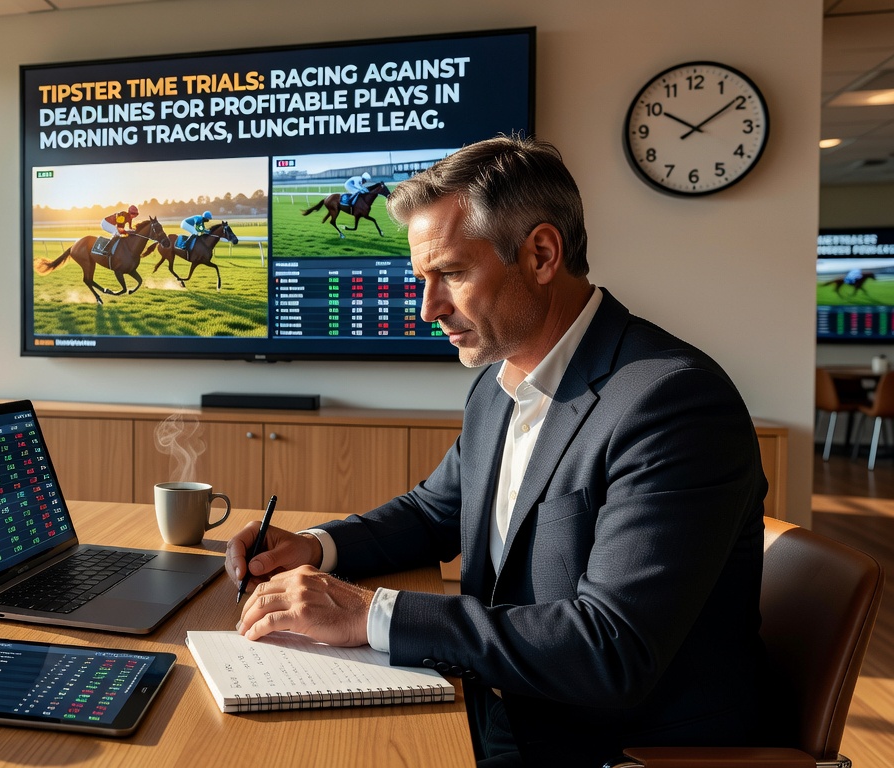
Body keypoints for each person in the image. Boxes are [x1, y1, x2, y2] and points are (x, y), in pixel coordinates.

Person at [224, 136, 767, 767]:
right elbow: (436, 511)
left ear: (540, 253)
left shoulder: (673, 402)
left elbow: (610, 648)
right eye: (421, 278)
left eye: (451, 274)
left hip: (603, 746)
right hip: (495, 705)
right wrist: (318, 546)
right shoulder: (500, 382)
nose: (428, 309)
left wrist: (373, 612)